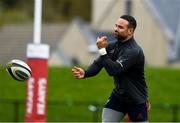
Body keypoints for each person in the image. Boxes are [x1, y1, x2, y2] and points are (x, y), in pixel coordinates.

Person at [72, 15, 149, 122]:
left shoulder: (134, 51)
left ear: (130, 31)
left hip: (136, 100)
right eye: (116, 26)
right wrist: (85, 73)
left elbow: (113, 70)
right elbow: (98, 64)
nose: (116, 29)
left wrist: (102, 50)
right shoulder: (111, 46)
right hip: (118, 97)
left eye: (121, 27)